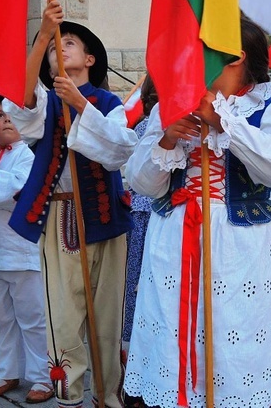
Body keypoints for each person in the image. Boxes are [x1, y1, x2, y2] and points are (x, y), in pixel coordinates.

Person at [123, 16, 271, 408]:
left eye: (203, 49)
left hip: (241, 246)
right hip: (174, 242)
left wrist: (224, 122)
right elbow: (141, 182)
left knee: (236, 336)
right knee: (173, 334)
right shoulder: (170, 105)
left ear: (235, 57)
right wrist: (168, 139)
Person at [4, 0, 137, 408]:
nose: (58, 49)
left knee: (108, 317)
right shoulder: (44, 102)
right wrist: (42, 32)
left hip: (108, 219)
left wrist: (81, 104)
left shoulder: (110, 104)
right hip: (59, 217)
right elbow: (20, 103)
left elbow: (118, 151)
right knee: (62, 318)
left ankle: (108, 395)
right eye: (51, 48)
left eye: (69, 42)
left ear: (90, 58)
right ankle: (69, 396)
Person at [0, 95, 54, 402]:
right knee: (0, 317)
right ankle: (6, 370)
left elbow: (19, 192)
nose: (5, 120)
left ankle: (42, 376)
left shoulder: (29, 157)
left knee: (31, 316)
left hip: (20, 250)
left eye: (10, 115)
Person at [122, 76, 157, 350]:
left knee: (137, 277)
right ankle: (135, 334)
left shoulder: (141, 126)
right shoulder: (148, 126)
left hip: (142, 211)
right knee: (141, 277)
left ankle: (131, 334)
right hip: (148, 213)